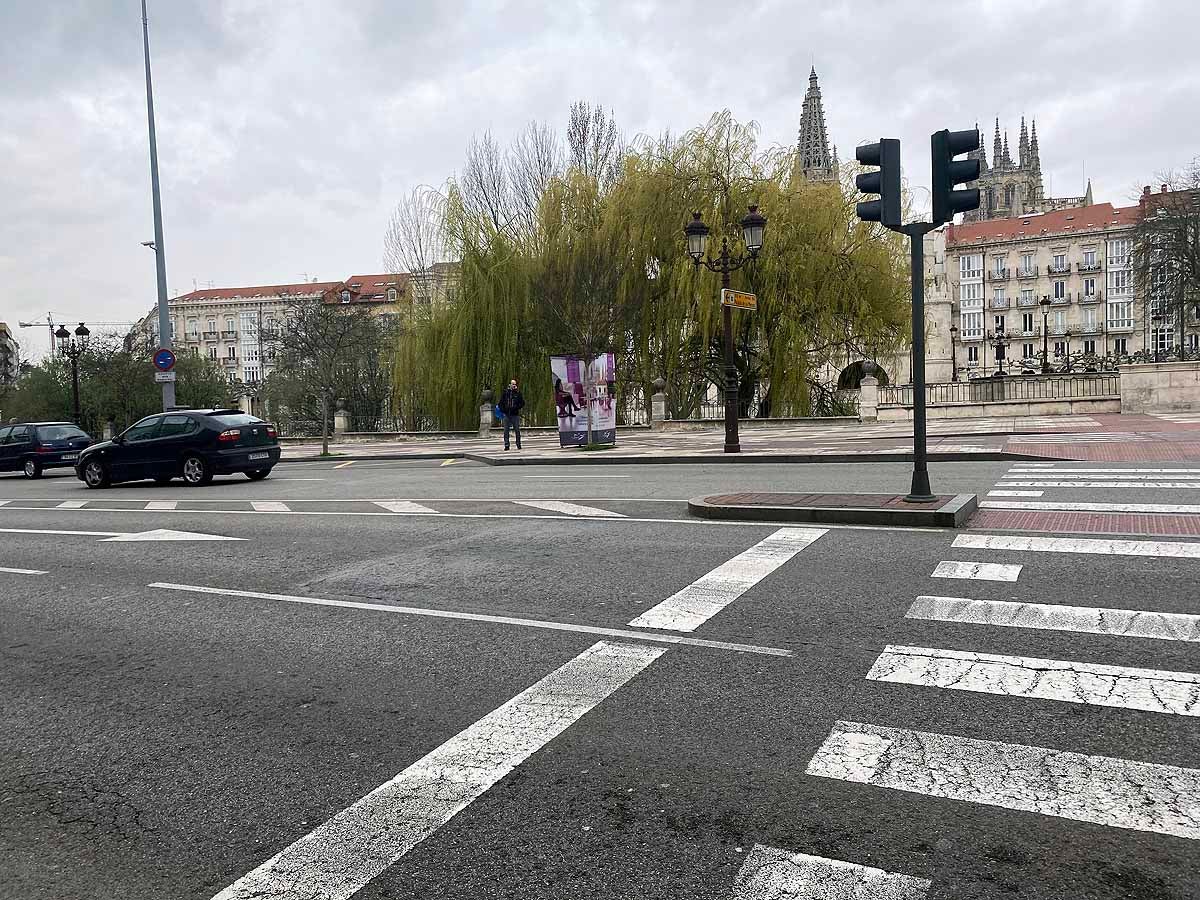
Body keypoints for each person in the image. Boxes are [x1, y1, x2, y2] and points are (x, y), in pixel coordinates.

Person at [499, 378, 525, 450]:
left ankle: (518, 444)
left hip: (515, 414)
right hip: (507, 415)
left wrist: (516, 407)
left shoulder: (518, 393)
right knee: (506, 431)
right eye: (512, 384)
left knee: (517, 430)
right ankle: (506, 445)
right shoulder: (505, 393)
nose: (514, 385)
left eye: (515, 384)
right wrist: (504, 410)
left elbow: (522, 403)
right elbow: (500, 403)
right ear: (510, 384)